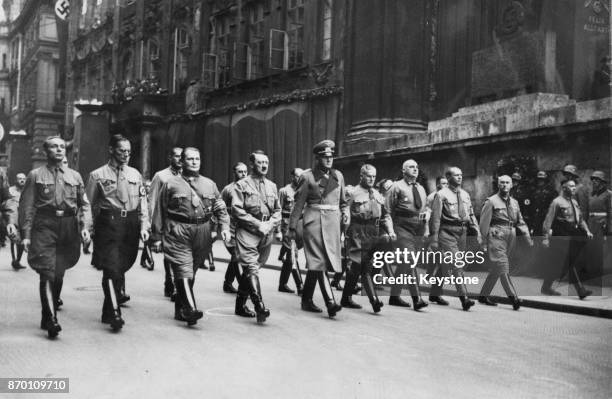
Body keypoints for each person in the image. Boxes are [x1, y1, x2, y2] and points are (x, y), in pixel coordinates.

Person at [11, 136, 92, 338]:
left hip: (68, 227)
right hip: (44, 226)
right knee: (47, 271)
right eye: (54, 147)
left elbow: (85, 205)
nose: (59, 150)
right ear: (46, 152)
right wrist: (26, 234)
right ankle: (52, 319)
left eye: (62, 147)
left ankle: (47, 313)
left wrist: (85, 227)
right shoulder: (35, 175)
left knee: (59, 272)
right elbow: (26, 206)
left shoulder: (75, 176)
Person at [152, 147, 230, 325]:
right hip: (178, 229)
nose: (194, 162)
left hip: (202, 230)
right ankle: (190, 308)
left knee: (191, 270)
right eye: (190, 159)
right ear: (182, 161)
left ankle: (180, 308)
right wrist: (156, 236)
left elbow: (220, 207)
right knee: (183, 268)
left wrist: (224, 227)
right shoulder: (171, 184)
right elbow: (159, 211)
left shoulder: (209, 184)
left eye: (197, 159)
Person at [86, 135, 149, 331]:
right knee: (111, 267)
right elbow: (87, 204)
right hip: (108, 223)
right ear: (111, 149)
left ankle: (107, 309)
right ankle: (114, 312)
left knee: (122, 265)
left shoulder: (135, 175)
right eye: (122, 150)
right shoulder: (97, 175)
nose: (126, 155)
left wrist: (144, 226)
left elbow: (143, 203)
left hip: (130, 223)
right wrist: (86, 229)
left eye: (129, 152)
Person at [288, 140, 349, 318]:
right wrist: (292, 228)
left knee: (317, 263)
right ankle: (330, 302)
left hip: (332, 225)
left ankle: (306, 299)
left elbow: (343, 202)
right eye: (325, 157)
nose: (329, 160)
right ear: (317, 158)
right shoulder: (307, 177)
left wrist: (346, 213)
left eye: (331, 157)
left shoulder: (338, 175)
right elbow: (298, 205)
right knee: (319, 261)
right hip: (314, 223)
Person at [231, 150, 281, 323]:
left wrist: (271, 224)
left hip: (266, 232)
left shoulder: (272, 186)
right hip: (247, 231)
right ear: (251, 164)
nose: (264, 165)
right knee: (251, 267)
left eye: (266, 162)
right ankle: (259, 305)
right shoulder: (241, 185)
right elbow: (237, 210)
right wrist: (257, 224)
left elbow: (278, 211)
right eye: (260, 162)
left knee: (253, 267)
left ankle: (239, 305)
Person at [341, 164, 396, 313]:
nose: (371, 179)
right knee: (362, 267)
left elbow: (385, 216)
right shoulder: (352, 193)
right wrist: (342, 234)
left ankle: (346, 298)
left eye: (374, 176)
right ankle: (374, 301)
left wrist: (390, 231)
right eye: (368, 176)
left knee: (360, 268)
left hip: (373, 233)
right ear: (361, 176)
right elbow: (345, 212)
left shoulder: (378, 195)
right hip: (357, 232)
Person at [429, 167, 482, 311]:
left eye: (461, 175)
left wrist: (477, 232)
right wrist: (433, 239)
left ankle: (434, 293)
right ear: (448, 177)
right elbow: (435, 219)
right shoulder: (441, 195)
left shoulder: (465, 194)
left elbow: (470, 214)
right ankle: (464, 298)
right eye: (456, 175)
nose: (459, 177)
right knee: (457, 264)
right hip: (447, 233)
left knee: (448, 265)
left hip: (462, 232)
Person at [478, 175, 533, 310]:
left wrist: (528, 238)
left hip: (511, 235)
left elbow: (520, 221)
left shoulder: (514, 203)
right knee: (503, 265)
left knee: (498, 267)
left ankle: (483, 296)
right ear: (498, 185)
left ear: (511, 185)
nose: (504, 185)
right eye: (502, 182)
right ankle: (513, 298)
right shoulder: (491, 201)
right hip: (496, 234)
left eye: (507, 183)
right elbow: (484, 223)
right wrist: (483, 242)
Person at [385, 160, 429, 310]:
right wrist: (390, 230)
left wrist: (427, 221)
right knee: (410, 260)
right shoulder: (396, 187)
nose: (415, 169)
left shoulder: (421, 188)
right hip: (402, 227)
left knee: (405, 263)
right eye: (411, 167)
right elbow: (387, 211)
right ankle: (417, 299)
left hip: (418, 229)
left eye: (417, 167)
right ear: (403, 170)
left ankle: (394, 297)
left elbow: (426, 208)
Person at [541, 179, 594, 299]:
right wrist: (545, 238)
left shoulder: (574, 202)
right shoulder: (557, 202)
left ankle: (546, 287)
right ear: (564, 188)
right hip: (560, 235)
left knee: (560, 264)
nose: (574, 188)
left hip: (572, 234)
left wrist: (587, 230)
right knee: (569, 262)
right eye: (571, 186)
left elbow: (580, 220)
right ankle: (580, 290)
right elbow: (548, 221)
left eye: (574, 186)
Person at [149, 147, 183, 299]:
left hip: (182, 223)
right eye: (176, 156)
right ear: (170, 158)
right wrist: (154, 229)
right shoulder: (161, 176)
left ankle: (172, 285)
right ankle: (173, 285)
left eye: (182, 156)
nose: (180, 159)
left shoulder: (186, 176)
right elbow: (153, 202)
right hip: (166, 221)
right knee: (170, 254)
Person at [220, 162, 248, 294]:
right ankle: (243, 287)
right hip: (231, 228)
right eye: (240, 171)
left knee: (235, 257)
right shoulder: (227, 189)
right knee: (236, 255)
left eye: (245, 171)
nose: (243, 174)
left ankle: (227, 283)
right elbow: (220, 209)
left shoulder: (250, 188)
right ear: (234, 173)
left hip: (245, 228)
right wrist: (216, 229)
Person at [277, 167, 305, 294]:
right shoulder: (284, 191)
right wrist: (277, 230)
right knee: (293, 255)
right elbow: (278, 211)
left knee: (290, 257)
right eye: (297, 176)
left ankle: (282, 284)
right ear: (292, 177)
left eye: (301, 176)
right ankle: (301, 286)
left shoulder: (304, 191)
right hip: (286, 227)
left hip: (299, 226)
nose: (300, 178)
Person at [585, 171, 611, 283]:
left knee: (600, 251)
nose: (594, 181)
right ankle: (592, 275)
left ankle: (598, 277)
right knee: (591, 250)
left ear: (602, 182)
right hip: (591, 225)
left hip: (602, 225)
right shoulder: (591, 194)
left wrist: (609, 229)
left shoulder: (609, 194)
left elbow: (610, 212)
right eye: (593, 179)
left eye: (597, 179)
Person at [4, 172, 27, 270]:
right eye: (19, 178)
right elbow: (5, 204)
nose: (22, 180)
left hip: (24, 219)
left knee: (22, 241)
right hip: (13, 219)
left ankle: (18, 260)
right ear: (16, 180)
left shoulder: (27, 191)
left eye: (23, 179)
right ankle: (14, 260)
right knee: (14, 239)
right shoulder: (10, 191)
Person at [140, 179, 154, 271]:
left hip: (152, 223)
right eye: (147, 186)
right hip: (145, 224)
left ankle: (142, 260)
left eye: (150, 186)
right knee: (147, 242)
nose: (149, 188)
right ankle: (151, 261)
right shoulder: (142, 197)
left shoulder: (154, 197)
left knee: (147, 243)